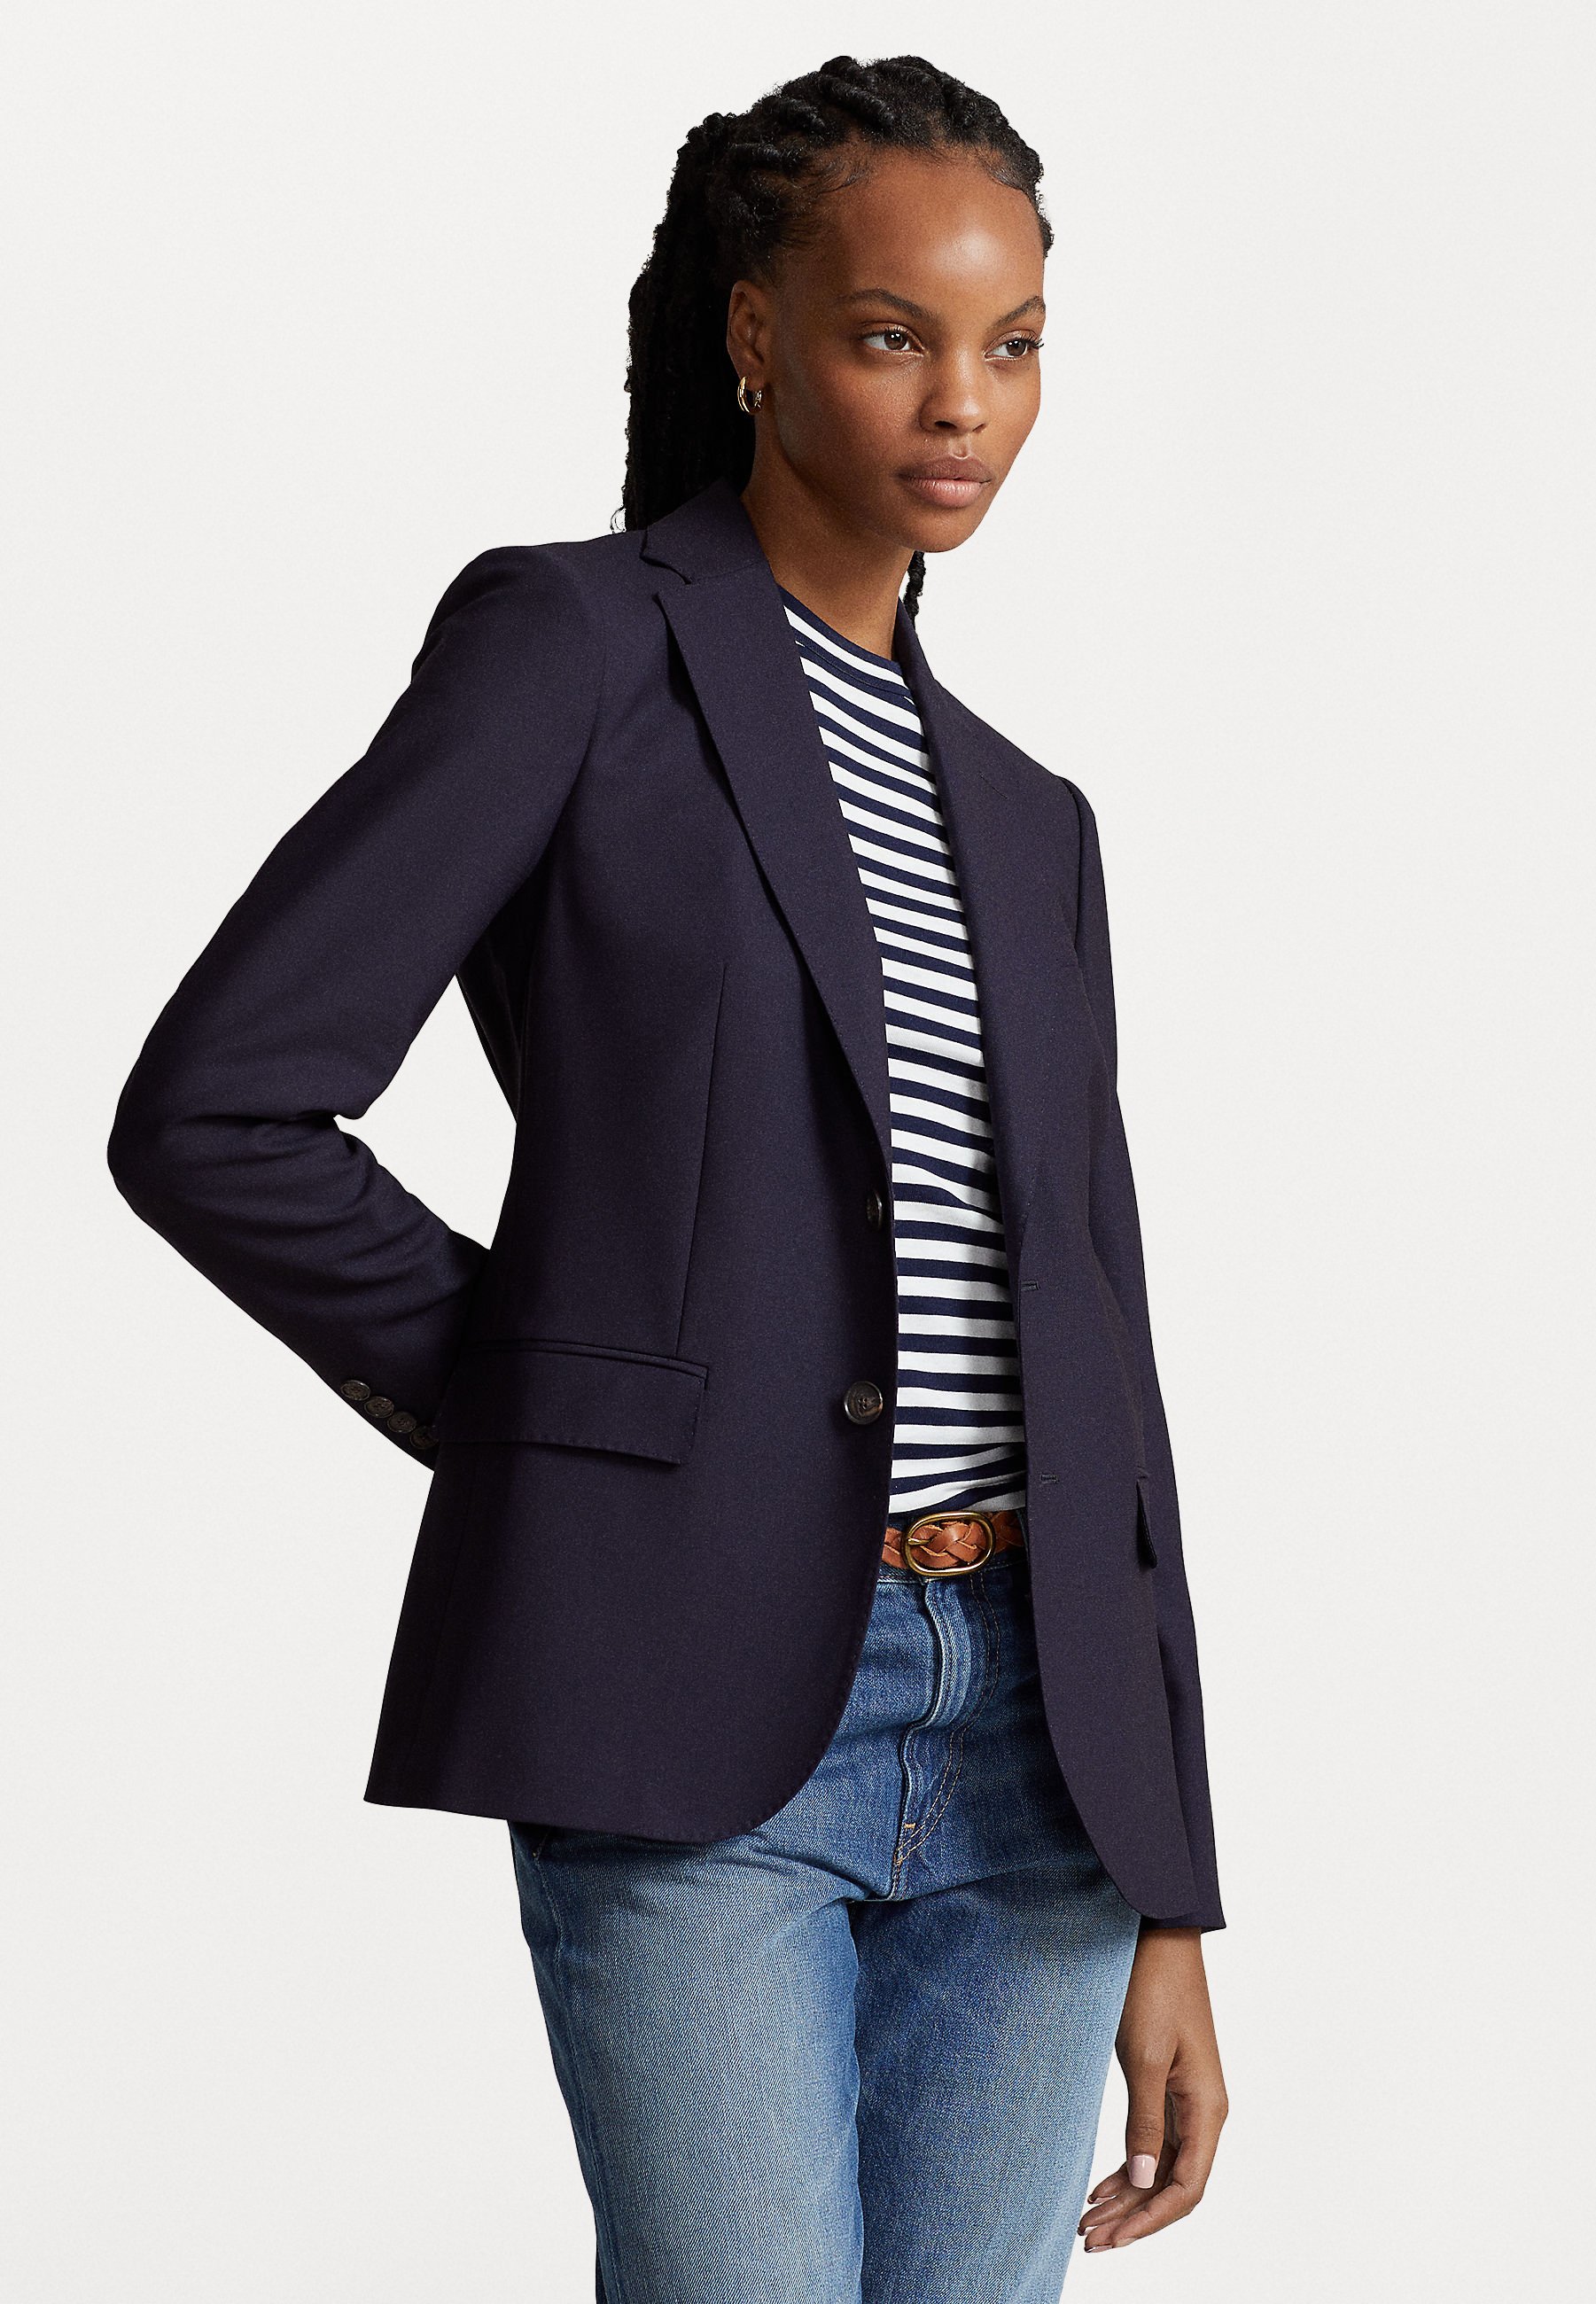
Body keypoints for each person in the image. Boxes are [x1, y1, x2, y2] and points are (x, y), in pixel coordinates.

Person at [108, 51, 1228, 2302]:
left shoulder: (1034, 821)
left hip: (1041, 1737)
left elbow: (1097, 1339)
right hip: (695, 1692)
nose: (964, 404)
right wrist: (556, 1415)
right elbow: (217, 1105)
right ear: (753, 332)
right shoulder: (577, 648)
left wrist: (1174, 1886)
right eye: (893, 333)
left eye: (1012, 344)